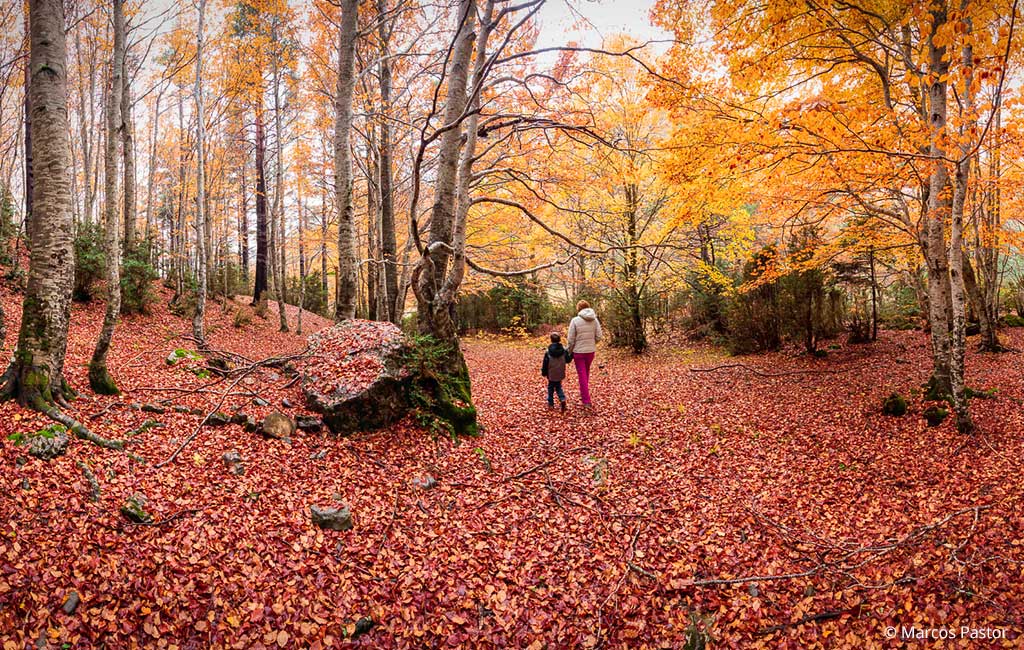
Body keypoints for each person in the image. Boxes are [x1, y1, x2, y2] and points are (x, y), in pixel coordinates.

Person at [566, 300, 602, 408]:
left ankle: (586, 400)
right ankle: (584, 393)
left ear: (579, 309)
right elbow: (599, 336)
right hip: (590, 351)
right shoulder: (594, 320)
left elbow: (571, 339)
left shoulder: (575, 320)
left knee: (582, 375)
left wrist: (569, 351)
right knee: (585, 373)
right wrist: (591, 343)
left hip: (578, 352)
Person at [541, 332, 569, 412]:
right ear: (559, 340)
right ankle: (562, 399)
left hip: (551, 372)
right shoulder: (563, 350)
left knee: (550, 387)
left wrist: (544, 372)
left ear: (551, 340)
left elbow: (545, 363)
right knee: (558, 386)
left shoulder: (548, 351)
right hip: (560, 372)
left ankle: (551, 404)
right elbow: (567, 360)